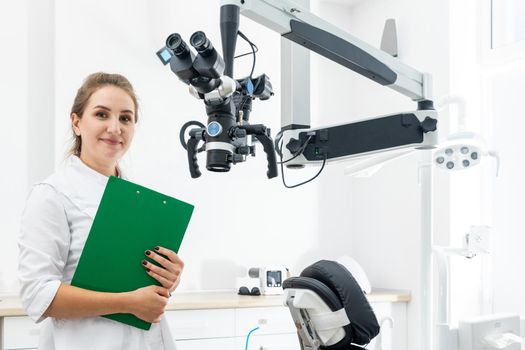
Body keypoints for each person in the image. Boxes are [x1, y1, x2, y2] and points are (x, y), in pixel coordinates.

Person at [18, 72, 183, 350]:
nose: (115, 128)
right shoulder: (51, 194)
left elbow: (140, 284)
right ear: (77, 122)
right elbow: (37, 295)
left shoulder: (140, 201)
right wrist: (128, 303)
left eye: (125, 118)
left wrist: (169, 276)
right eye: (102, 114)